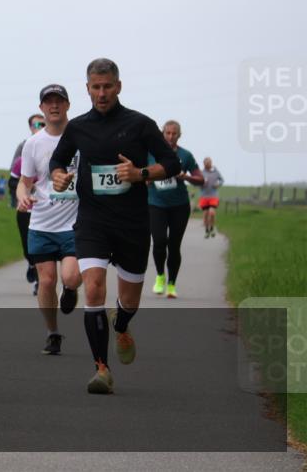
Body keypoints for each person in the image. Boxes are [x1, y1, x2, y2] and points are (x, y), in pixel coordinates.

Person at [50, 58, 180, 394]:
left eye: (108, 86)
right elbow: (57, 160)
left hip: (133, 223)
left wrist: (141, 174)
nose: (102, 92)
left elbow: (172, 162)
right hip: (93, 221)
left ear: (118, 86)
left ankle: (122, 324)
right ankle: (101, 369)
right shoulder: (77, 127)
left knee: (129, 300)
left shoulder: (140, 124)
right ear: (88, 88)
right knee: (93, 287)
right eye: (96, 87)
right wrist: (59, 176)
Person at [16, 85, 82, 355]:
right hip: (42, 222)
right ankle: (53, 333)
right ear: (42, 108)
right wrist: (22, 197)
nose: (54, 106)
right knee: (46, 281)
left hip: (74, 222)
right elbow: (24, 182)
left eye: (59, 101)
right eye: (49, 102)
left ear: (67, 105)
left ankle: (70, 289)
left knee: (72, 277)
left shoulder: (81, 138)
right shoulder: (33, 144)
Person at [148, 121, 204, 299]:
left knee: (174, 245)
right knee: (158, 241)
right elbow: (139, 173)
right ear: (162, 133)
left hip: (179, 206)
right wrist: (146, 178)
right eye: (168, 133)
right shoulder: (151, 154)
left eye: (174, 134)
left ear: (179, 135)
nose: (170, 137)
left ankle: (171, 284)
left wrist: (184, 176)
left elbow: (200, 179)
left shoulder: (185, 155)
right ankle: (159, 276)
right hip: (155, 203)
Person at [11, 113, 46, 293]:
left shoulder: (58, 146)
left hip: (47, 209)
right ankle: (31, 265)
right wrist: (20, 197)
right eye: (36, 124)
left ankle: (41, 283)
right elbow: (15, 180)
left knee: (41, 249)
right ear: (30, 127)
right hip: (26, 209)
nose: (40, 127)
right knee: (27, 248)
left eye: (43, 123)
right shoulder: (23, 149)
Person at [199, 157, 224, 238]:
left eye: (208, 163)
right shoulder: (201, 173)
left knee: (212, 213)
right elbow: (197, 183)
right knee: (206, 214)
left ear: (211, 163)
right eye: (205, 163)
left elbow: (222, 180)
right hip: (204, 196)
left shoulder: (216, 172)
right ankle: (207, 230)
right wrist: (202, 184)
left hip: (213, 196)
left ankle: (212, 228)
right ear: (204, 164)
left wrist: (218, 184)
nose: (207, 164)